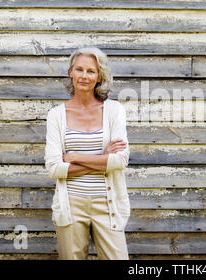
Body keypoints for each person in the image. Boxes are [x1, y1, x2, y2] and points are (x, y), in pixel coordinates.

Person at [44, 47, 130, 260]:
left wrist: (75, 157)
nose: (84, 76)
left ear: (99, 76)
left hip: (107, 202)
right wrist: (103, 157)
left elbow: (120, 159)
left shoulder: (114, 110)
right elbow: (55, 168)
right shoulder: (56, 115)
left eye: (91, 71)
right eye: (79, 69)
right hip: (70, 203)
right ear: (70, 72)